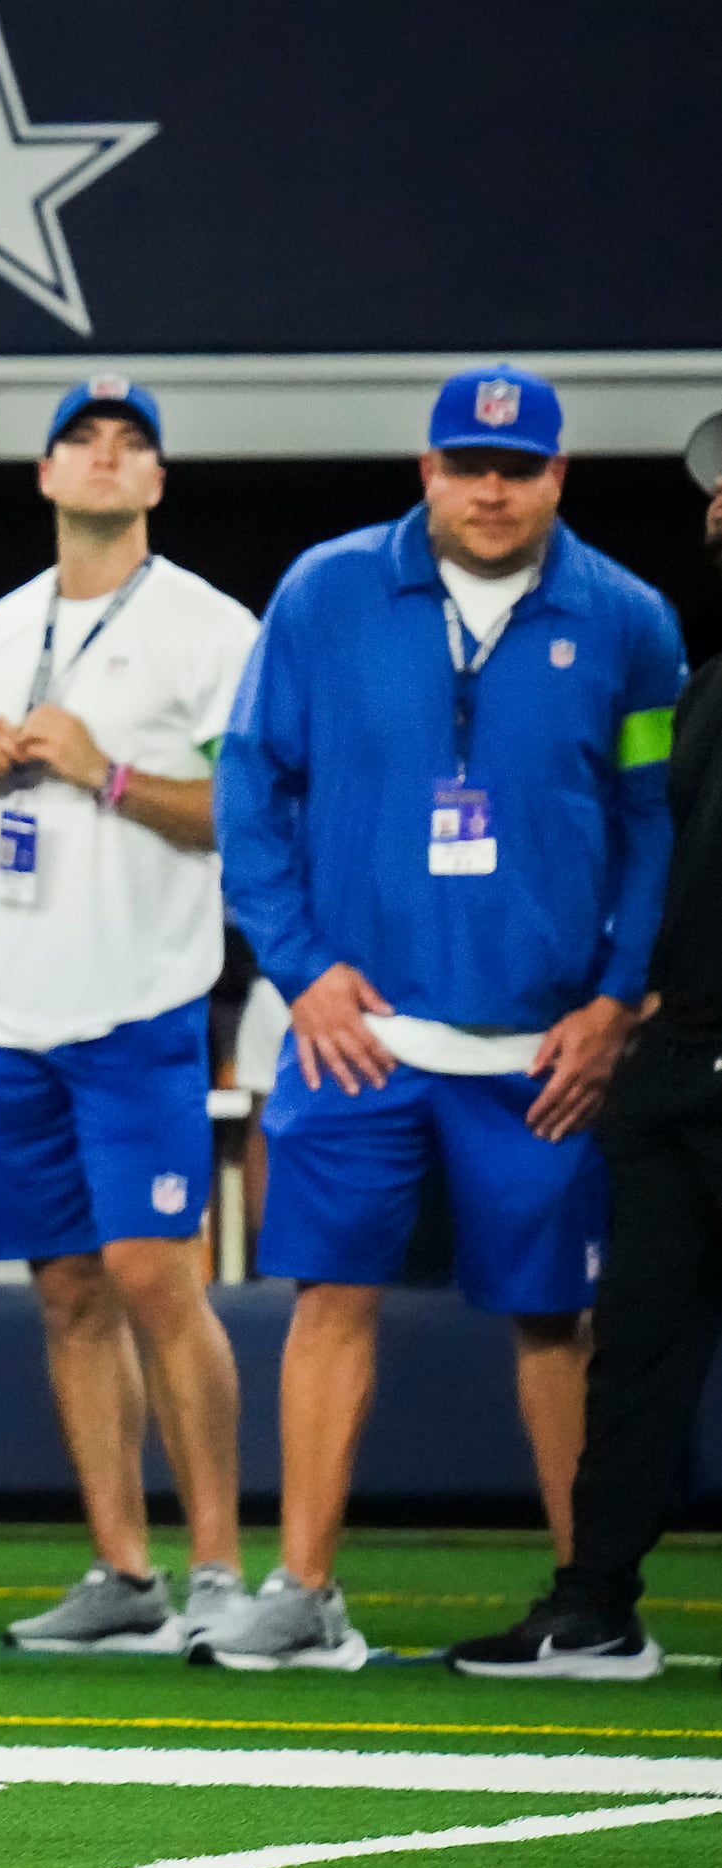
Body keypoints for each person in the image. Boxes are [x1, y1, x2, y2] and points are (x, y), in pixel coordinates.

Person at [209, 365, 684, 1670]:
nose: (489, 489)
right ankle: (303, 1591)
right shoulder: (324, 590)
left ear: (557, 477)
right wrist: (299, 966)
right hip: (353, 1030)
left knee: (554, 1321)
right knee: (327, 1294)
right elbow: (250, 788)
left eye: (516, 467)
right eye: (465, 465)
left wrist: (615, 996)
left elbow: (655, 821)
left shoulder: (633, 621)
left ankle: (590, 1602)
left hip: (544, 1048)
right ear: (425, 469)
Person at [0, 378, 259, 1653]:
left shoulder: (212, 629)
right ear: (48, 474)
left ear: (158, 484)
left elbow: (243, 813)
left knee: (155, 1279)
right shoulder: (1, 628)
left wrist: (102, 770)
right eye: (84, 442)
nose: (108, 461)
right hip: (6, 1001)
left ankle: (222, 1572)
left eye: (133, 447)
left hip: (139, 998)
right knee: (64, 1289)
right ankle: (125, 1573)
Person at [445, 411, 722, 1679]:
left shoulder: (660, 646)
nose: (715, 509)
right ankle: (596, 1601)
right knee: (638, 1355)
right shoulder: (704, 678)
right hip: (677, 1070)